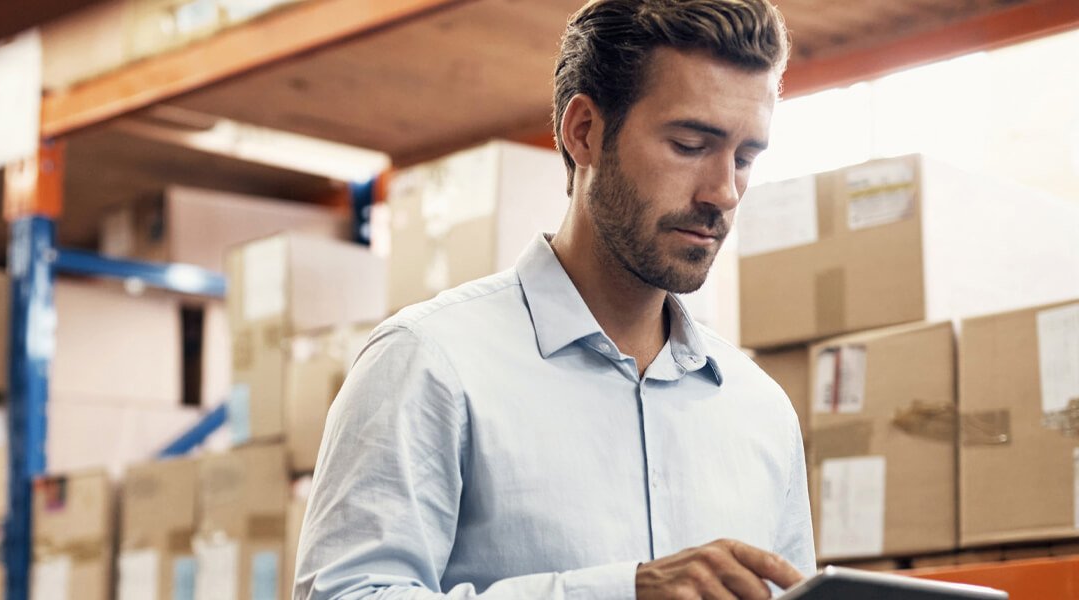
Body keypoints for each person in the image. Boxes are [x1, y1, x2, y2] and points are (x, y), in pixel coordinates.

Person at [295, 0, 814, 598]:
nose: (723, 191)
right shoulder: (429, 364)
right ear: (584, 132)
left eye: (746, 158)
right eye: (691, 144)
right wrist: (623, 593)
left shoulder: (762, 412)